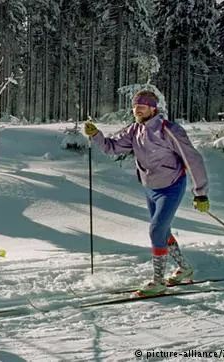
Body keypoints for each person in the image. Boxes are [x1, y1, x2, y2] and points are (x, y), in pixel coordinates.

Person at [83, 90, 210, 296]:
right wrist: (96, 135)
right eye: (135, 106)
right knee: (163, 231)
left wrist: (200, 193)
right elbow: (111, 148)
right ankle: (184, 268)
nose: (138, 109)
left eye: (143, 105)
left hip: (171, 186)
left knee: (155, 231)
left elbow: (192, 159)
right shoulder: (134, 130)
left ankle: (158, 281)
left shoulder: (168, 130)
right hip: (150, 188)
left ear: (153, 108)